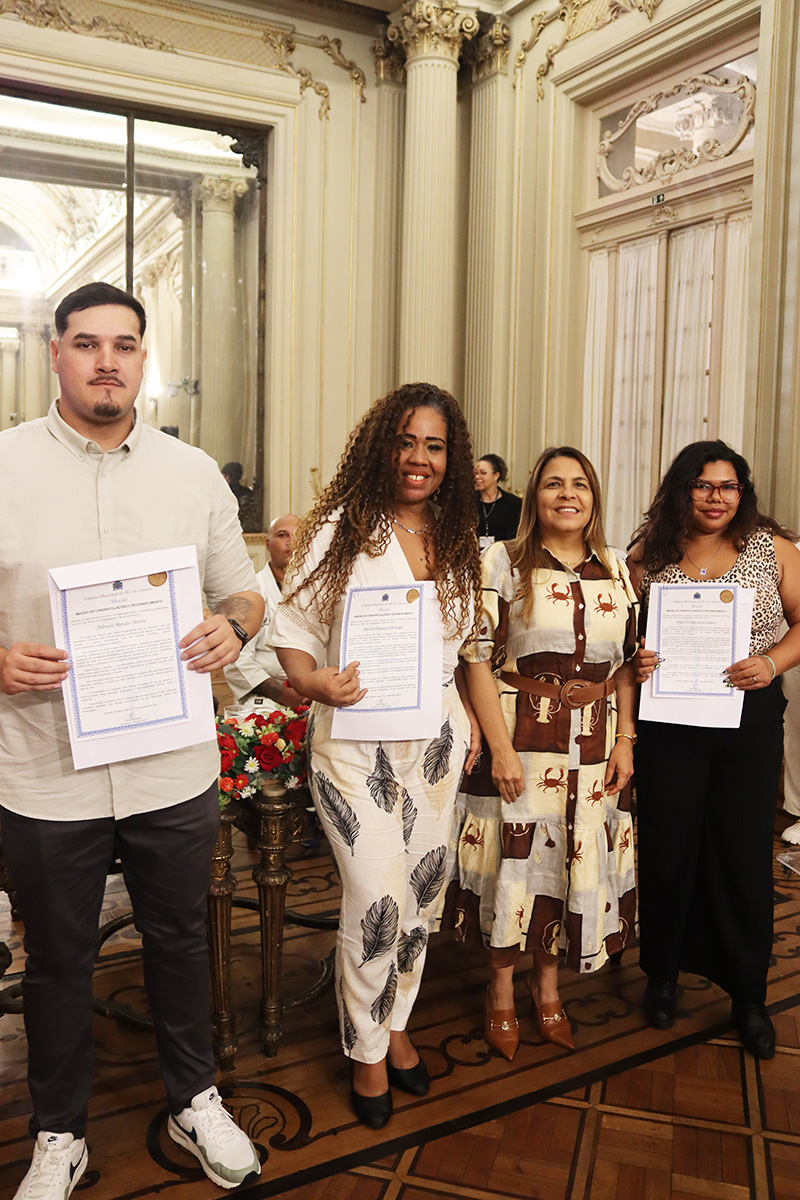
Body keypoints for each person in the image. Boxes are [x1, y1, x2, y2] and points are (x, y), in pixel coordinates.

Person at [0, 282, 265, 1199]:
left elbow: (244, 592)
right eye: (86, 344)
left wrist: (232, 626)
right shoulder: (2, 467)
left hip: (170, 766)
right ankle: (59, 1134)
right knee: (59, 961)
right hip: (45, 772)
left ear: (145, 358)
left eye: (124, 344)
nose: (106, 360)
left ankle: (196, 1098)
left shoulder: (191, 474)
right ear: (56, 354)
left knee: (180, 941)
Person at [271, 382, 482, 1129]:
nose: (418, 458)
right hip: (355, 747)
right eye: (405, 441)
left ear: (450, 458)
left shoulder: (459, 537)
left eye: (434, 445)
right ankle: (364, 1052)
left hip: (434, 743)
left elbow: (458, 649)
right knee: (377, 899)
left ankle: (396, 1027)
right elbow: (290, 629)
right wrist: (310, 679)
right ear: (379, 445)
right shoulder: (336, 529)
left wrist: (472, 724)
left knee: (422, 898)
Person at [443, 447, 638, 1060]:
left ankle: (546, 982)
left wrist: (626, 739)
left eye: (579, 484)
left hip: (597, 741)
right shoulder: (502, 560)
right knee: (517, 863)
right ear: (535, 495)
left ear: (594, 496)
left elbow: (629, 664)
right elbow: (475, 656)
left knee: (570, 861)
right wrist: (497, 748)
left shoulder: (617, 566)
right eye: (554, 483)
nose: (567, 494)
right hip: (522, 737)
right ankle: (500, 988)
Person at [629, 439, 800, 1060]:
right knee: (669, 846)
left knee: (742, 852)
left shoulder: (771, 548)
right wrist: (638, 657)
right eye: (703, 485)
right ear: (683, 489)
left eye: (727, 487)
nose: (716, 497)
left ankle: (749, 995)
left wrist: (771, 660)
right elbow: (625, 636)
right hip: (670, 721)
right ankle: (664, 976)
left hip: (747, 717)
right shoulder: (650, 553)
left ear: (742, 492)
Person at [224, 513, 307, 708]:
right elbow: (237, 661)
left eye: (299, 535)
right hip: (263, 698)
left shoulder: (317, 592)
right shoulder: (251, 592)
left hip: (310, 693)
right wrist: (284, 694)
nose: (291, 542)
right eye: (282, 535)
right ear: (268, 544)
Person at [474, 453, 523, 548]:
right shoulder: (468, 502)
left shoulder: (514, 504)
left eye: (483, 473)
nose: (477, 477)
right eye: (475, 473)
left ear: (496, 475)